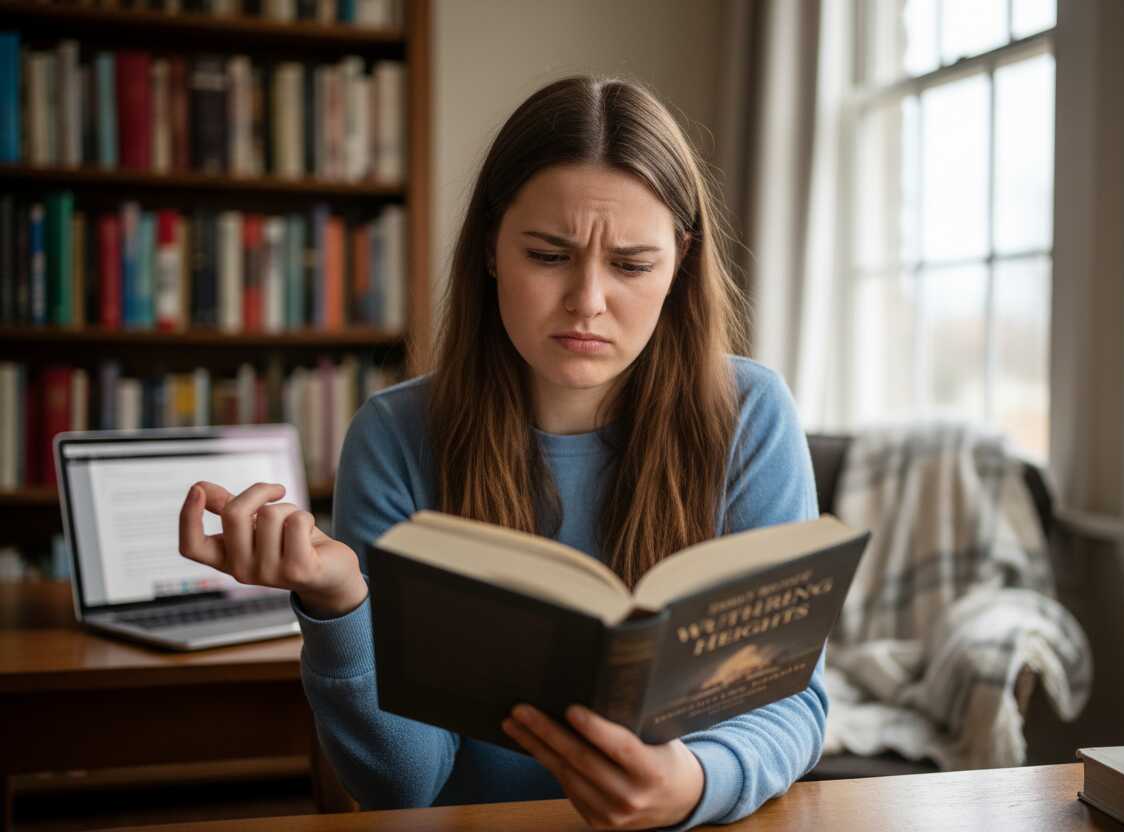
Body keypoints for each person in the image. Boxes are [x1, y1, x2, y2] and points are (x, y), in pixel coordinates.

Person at [178, 76, 827, 831]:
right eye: (549, 255)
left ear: (681, 263)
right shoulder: (395, 436)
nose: (588, 300)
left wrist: (695, 781)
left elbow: (789, 701)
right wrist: (340, 602)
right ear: (491, 247)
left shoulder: (750, 415)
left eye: (631, 264)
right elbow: (405, 785)